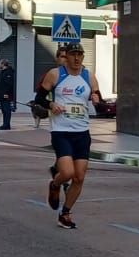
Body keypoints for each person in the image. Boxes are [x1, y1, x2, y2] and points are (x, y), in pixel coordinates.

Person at [39, 43, 97, 229]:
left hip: (82, 132)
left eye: (80, 54)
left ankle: (65, 213)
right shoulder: (55, 74)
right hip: (61, 131)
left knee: (79, 177)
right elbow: (39, 97)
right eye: (73, 55)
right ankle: (55, 185)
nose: (77, 58)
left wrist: (97, 98)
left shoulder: (88, 76)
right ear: (66, 56)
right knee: (67, 173)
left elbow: (96, 95)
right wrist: (51, 105)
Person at [0, 56, 17, 132]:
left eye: (0, 63)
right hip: (2, 94)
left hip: (5, 95)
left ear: (3, 64)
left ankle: (6, 125)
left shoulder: (8, 72)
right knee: (4, 110)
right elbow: (2, 82)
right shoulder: (3, 72)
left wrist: (6, 93)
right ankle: (5, 124)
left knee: (6, 110)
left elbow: (9, 84)